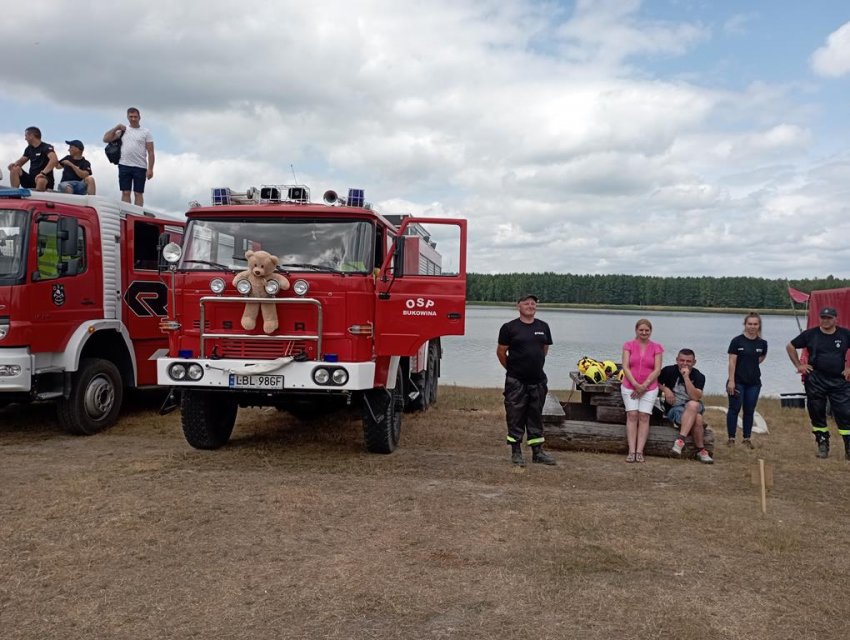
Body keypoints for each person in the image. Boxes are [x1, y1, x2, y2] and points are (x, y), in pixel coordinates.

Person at [496, 294, 556, 467]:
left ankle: (538, 452)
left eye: (533, 303)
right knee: (515, 416)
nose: (530, 306)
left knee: (535, 416)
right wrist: (512, 369)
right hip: (516, 381)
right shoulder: (509, 328)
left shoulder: (543, 327)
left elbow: (544, 349)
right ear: (518, 306)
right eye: (526, 303)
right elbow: (501, 352)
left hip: (538, 381)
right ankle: (516, 452)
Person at [785, 306, 850, 460]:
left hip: (839, 381)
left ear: (835, 319)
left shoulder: (845, 334)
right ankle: (822, 444)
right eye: (823, 318)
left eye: (829, 318)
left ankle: (849, 447)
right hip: (815, 380)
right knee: (817, 412)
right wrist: (799, 365)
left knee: (845, 413)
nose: (825, 320)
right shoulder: (810, 334)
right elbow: (790, 346)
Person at [658, 348, 713, 464]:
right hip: (674, 408)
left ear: (694, 362)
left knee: (692, 404)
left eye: (688, 361)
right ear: (677, 360)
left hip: (694, 405)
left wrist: (686, 378)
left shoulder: (699, 376)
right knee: (698, 418)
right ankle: (701, 451)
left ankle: (680, 441)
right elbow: (655, 382)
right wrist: (666, 389)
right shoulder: (668, 371)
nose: (685, 363)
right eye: (682, 360)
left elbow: (696, 397)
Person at [620, 318, 663, 463]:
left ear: (651, 331)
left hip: (649, 388)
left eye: (647, 330)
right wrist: (635, 385)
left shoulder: (657, 347)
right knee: (632, 415)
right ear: (636, 330)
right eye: (641, 330)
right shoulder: (628, 345)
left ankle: (640, 451)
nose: (644, 333)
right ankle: (631, 451)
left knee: (644, 416)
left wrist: (644, 386)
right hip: (629, 386)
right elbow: (625, 366)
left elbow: (657, 369)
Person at [726, 312, 767, 449]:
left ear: (759, 325)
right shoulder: (737, 341)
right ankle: (731, 438)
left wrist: (750, 367)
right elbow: (732, 362)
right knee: (734, 409)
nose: (752, 326)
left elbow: (760, 359)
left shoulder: (763, 343)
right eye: (750, 324)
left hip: (754, 383)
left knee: (749, 410)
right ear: (745, 324)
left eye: (755, 324)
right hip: (737, 381)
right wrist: (731, 381)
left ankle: (747, 439)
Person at [103, 107, 155, 206]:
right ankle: (126, 213)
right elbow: (105, 139)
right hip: (124, 164)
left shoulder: (146, 132)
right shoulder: (123, 130)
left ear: (139, 117)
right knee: (125, 192)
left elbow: (151, 151)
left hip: (140, 166)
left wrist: (150, 169)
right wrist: (116, 128)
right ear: (127, 117)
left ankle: (138, 213)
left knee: (138, 193)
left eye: (135, 116)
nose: (133, 119)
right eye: (131, 116)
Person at [7, 127, 58, 192]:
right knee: (14, 168)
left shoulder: (46, 147)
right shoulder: (29, 149)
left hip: (45, 178)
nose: (25, 139)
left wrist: (43, 173)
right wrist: (13, 165)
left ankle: (39, 197)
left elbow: (54, 160)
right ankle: (14, 193)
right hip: (31, 179)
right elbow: (21, 162)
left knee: (40, 180)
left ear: (31, 136)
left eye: (26, 136)